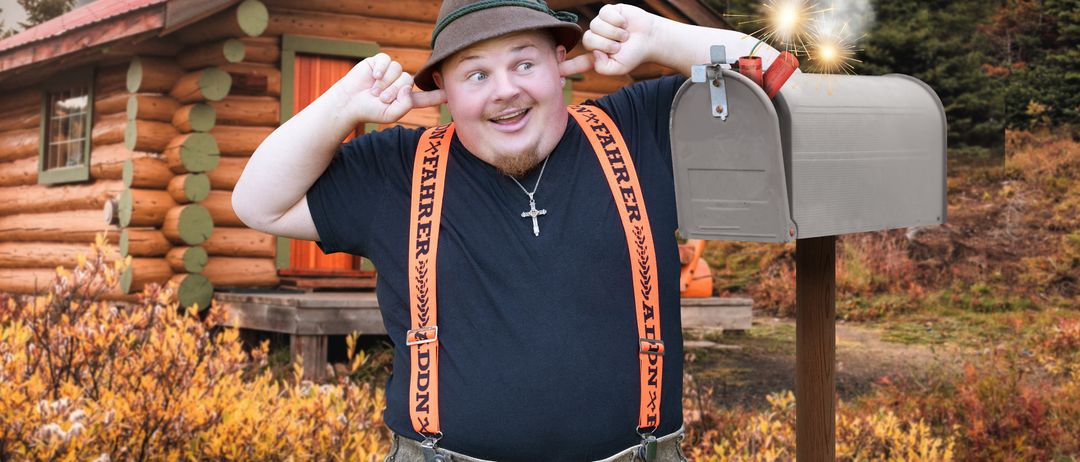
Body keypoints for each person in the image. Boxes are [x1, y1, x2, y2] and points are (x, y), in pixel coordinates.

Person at [233, 1, 782, 460]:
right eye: (475, 74)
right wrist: (341, 108)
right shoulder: (396, 170)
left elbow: (782, 87)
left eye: (524, 63)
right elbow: (258, 204)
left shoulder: (639, 129)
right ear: (443, 90)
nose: (504, 91)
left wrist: (661, 35)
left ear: (560, 62)